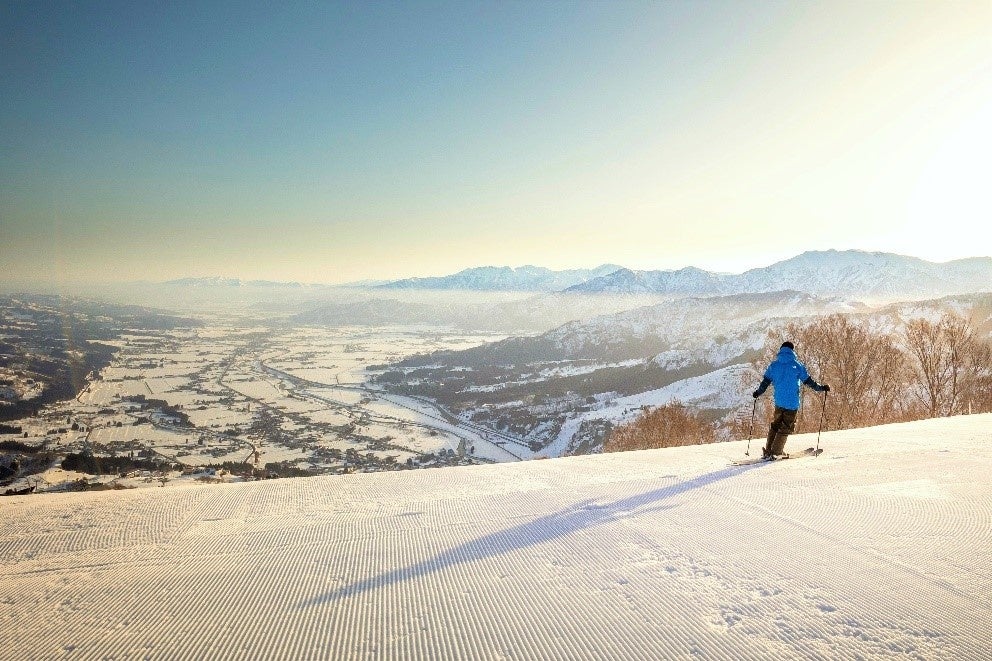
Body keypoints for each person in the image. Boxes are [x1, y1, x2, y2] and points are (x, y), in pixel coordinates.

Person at [752, 341, 829, 458]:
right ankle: (776, 452)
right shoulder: (797, 365)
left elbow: (765, 383)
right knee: (786, 426)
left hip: (779, 402)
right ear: (792, 351)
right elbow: (809, 382)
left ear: (781, 350)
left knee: (776, 425)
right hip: (792, 403)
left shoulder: (774, 365)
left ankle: (769, 450)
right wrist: (821, 388)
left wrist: (758, 392)